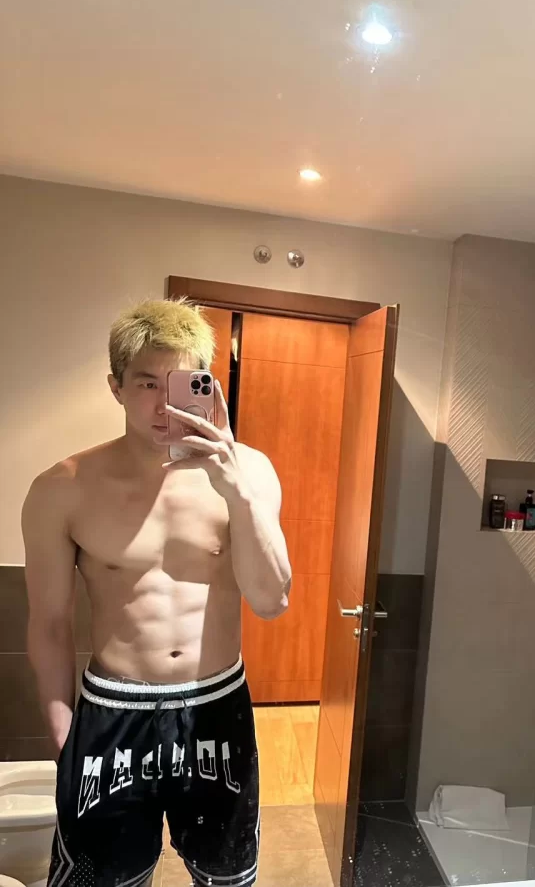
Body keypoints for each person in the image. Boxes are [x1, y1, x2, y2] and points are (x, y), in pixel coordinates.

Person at [22, 298, 291, 887]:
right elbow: (49, 623)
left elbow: (272, 601)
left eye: (181, 383)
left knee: (225, 876)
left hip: (216, 704)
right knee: (98, 879)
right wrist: (64, 732)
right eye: (147, 383)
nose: (165, 403)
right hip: (112, 709)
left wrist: (236, 492)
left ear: (206, 385)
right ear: (115, 387)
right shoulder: (60, 490)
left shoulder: (249, 472)